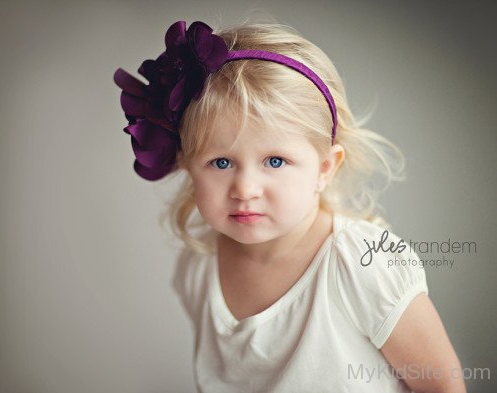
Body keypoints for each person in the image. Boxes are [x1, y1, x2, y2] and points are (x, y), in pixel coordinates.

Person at [113, 19, 466, 393]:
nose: (245, 189)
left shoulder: (363, 264)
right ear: (186, 165)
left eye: (275, 161)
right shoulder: (199, 265)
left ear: (325, 168)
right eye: (221, 162)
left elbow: (443, 386)